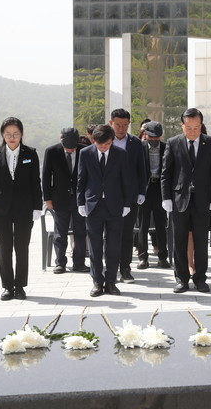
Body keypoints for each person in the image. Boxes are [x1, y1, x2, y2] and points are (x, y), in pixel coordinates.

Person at [161, 108, 211, 293]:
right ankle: (181, 279)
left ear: (201, 125)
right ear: (182, 126)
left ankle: (200, 279)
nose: (193, 131)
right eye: (189, 128)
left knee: (201, 242)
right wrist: (166, 197)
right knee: (179, 241)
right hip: (179, 199)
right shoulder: (173, 143)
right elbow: (166, 173)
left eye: (196, 127)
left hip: (202, 200)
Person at [0, 117, 42, 301]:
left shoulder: (30, 153)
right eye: (8, 134)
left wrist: (37, 206)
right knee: (4, 248)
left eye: (15, 134)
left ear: (21, 134)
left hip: (25, 208)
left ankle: (20, 286)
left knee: (22, 247)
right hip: (1, 208)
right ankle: (7, 287)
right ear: (3, 134)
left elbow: (35, 181)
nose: (12, 137)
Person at [77, 124, 134, 297]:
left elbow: (127, 180)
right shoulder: (85, 153)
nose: (103, 147)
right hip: (93, 205)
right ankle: (97, 282)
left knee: (113, 246)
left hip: (115, 205)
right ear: (94, 140)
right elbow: (81, 179)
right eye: (100, 144)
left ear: (112, 141)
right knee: (95, 246)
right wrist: (80, 203)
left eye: (107, 144)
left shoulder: (121, 154)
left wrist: (127, 204)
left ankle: (111, 282)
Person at [42, 127, 89, 275]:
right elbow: (46, 176)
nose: (70, 150)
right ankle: (60, 263)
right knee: (60, 232)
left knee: (80, 232)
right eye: (67, 148)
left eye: (73, 148)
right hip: (59, 199)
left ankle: (79, 263)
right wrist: (47, 198)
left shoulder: (85, 150)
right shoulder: (52, 152)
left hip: (80, 199)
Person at [109, 109, 147, 284]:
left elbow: (141, 168)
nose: (121, 128)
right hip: (108, 196)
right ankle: (110, 269)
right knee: (109, 234)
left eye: (125, 125)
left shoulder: (135, 143)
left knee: (126, 234)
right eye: (118, 125)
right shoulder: (105, 140)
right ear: (111, 123)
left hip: (129, 196)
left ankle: (125, 269)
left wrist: (141, 192)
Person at [137, 121, 170, 269]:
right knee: (143, 225)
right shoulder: (139, 147)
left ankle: (163, 257)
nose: (154, 140)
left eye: (157, 137)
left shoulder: (166, 147)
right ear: (146, 135)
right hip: (144, 189)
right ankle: (143, 257)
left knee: (161, 224)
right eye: (152, 137)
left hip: (160, 188)